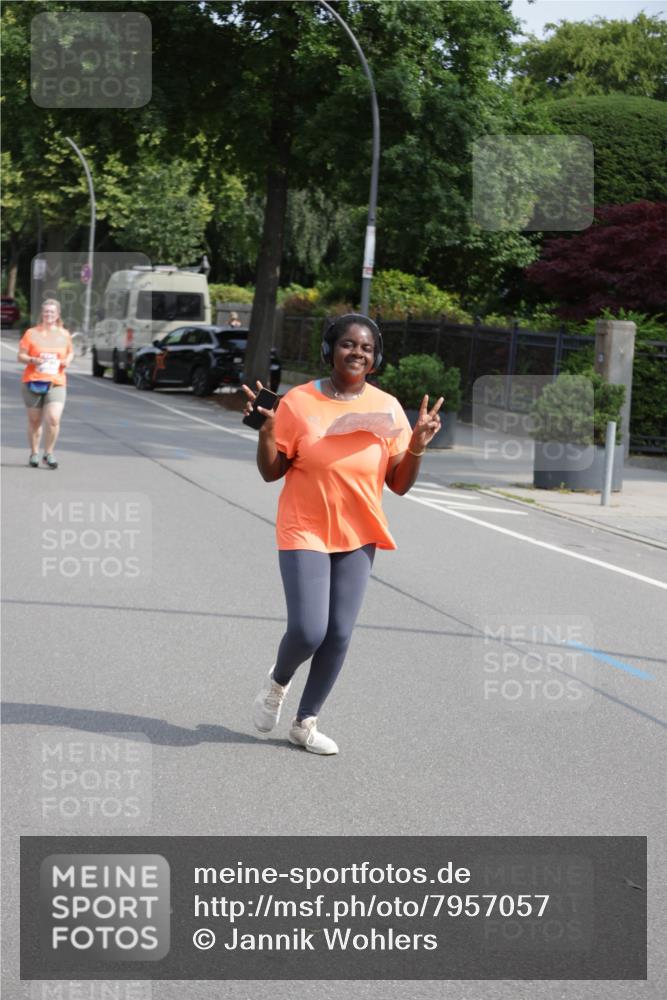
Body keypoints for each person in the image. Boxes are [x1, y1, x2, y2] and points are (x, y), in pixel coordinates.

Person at [242, 313, 443, 755]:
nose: (357, 353)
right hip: (305, 529)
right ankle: (277, 683)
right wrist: (267, 433)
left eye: (367, 348)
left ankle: (305, 722)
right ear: (330, 350)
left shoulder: (388, 407)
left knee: (338, 634)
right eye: (348, 344)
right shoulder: (299, 401)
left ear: (376, 358)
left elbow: (399, 483)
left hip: (358, 532)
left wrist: (416, 446)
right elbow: (271, 471)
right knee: (308, 630)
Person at [17, 299, 74, 469]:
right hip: (33, 381)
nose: (49, 314)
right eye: (46, 311)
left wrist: (67, 361)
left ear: (57, 315)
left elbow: (70, 353)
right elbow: (21, 356)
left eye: (52, 312)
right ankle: (34, 453)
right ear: (42, 314)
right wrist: (33, 360)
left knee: (53, 419)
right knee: (35, 421)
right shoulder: (31, 333)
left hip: (56, 382)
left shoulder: (64, 334)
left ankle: (48, 453)